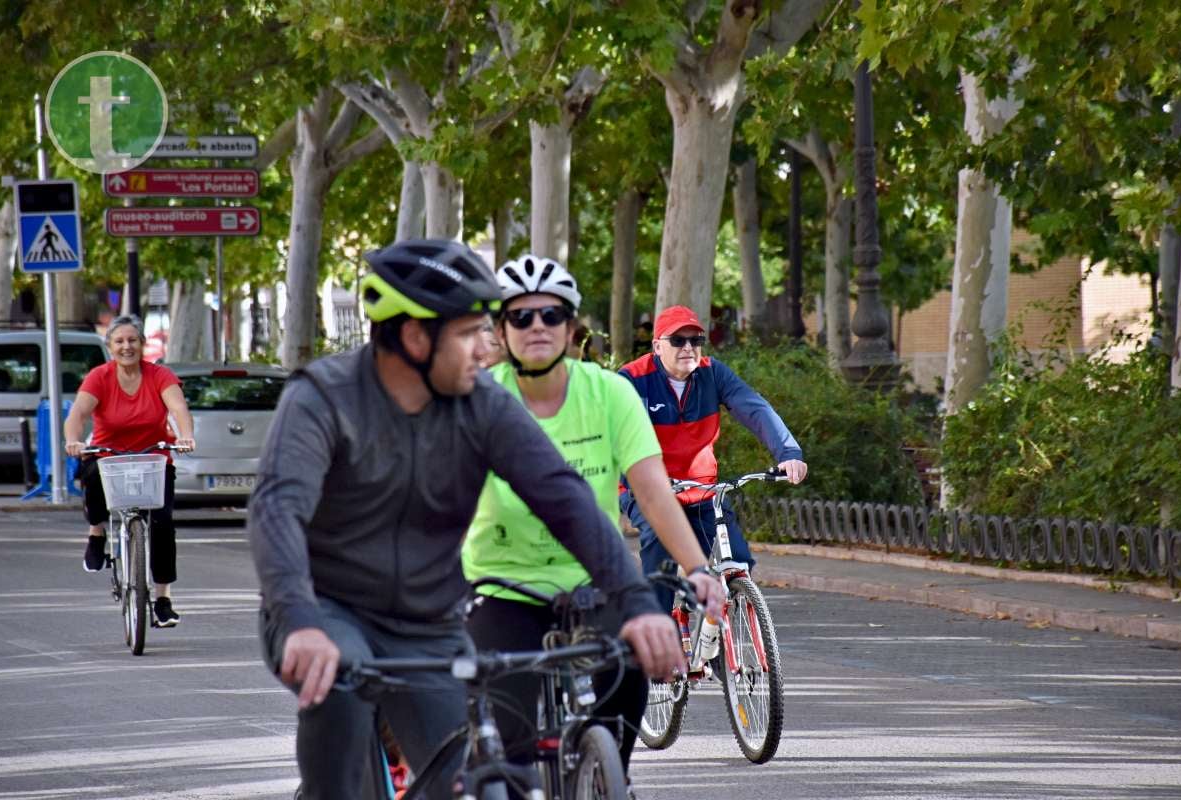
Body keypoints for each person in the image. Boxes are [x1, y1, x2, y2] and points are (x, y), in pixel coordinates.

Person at [247, 239, 684, 800]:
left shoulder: (481, 404)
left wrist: (635, 600)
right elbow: (278, 509)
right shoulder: (323, 400)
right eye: (468, 334)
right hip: (325, 610)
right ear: (414, 337)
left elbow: (564, 499)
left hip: (428, 623)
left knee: (465, 780)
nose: (486, 349)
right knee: (338, 699)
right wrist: (301, 618)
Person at [462, 254, 726, 786]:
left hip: (594, 579)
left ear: (571, 329)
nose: (537, 326)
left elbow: (652, 494)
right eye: (520, 317)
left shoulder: (610, 394)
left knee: (631, 664)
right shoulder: (478, 400)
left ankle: (607, 778)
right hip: (501, 585)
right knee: (510, 750)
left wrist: (699, 569)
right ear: (500, 331)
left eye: (551, 316)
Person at [618, 304, 809, 611]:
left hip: (702, 489)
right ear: (657, 346)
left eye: (696, 340)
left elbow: (754, 408)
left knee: (738, 560)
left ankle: (718, 645)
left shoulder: (712, 372)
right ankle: (660, 642)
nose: (689, 348)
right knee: (659, 550)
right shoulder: (631, 380)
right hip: (649, 490)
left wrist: (788, 453)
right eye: (678, 341)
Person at [63, 314, 196, 627]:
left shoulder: (160, 375)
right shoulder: (99, 377)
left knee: (163, 525)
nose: (127, 346)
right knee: (91, 474)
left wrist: (186, 435)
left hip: (153, 457)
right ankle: (97, 533)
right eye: (119, 341)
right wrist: (73, 440)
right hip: (108, 455)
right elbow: (79, 413)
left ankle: (163, 599)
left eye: (132, 340)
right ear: (110, 347)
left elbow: (178, 408)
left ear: (143, 344)